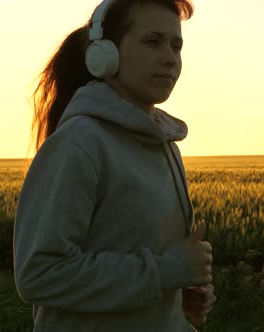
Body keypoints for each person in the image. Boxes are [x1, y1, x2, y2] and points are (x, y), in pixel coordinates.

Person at [13, 0, 216, 331]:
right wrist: (165, 272)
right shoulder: (78, 144)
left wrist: (178, 299)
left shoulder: (167, 146)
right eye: (152, 42)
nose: (170, 57)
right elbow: (39, 274)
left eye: (176, 45)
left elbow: (148, 265)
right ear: (104, 55)